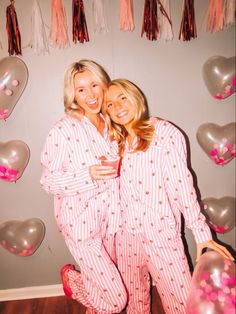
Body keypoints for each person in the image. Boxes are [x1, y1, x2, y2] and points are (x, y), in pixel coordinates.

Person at [102, 78, 234, 314]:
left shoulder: (164, 133)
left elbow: (183, 186)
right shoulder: (115, 143)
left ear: (136, 98)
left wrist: (202, 235)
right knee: (135, 303)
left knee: (182, 304)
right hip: (125, 238)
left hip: (161, 235)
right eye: (109, 104)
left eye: (122, 97)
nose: (117, 107)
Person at [40, 61, 127, 314]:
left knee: (101, 288)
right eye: (81, 90)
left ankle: (80, 285)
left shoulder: (113, 124)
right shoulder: (63, 130)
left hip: (112, 223)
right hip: (81, 226)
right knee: (114, 299)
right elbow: (48, 181)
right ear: (72, 94)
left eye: (94, 85)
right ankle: (73, 281)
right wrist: (88, 174)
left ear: (104, 85)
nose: (90, 95)